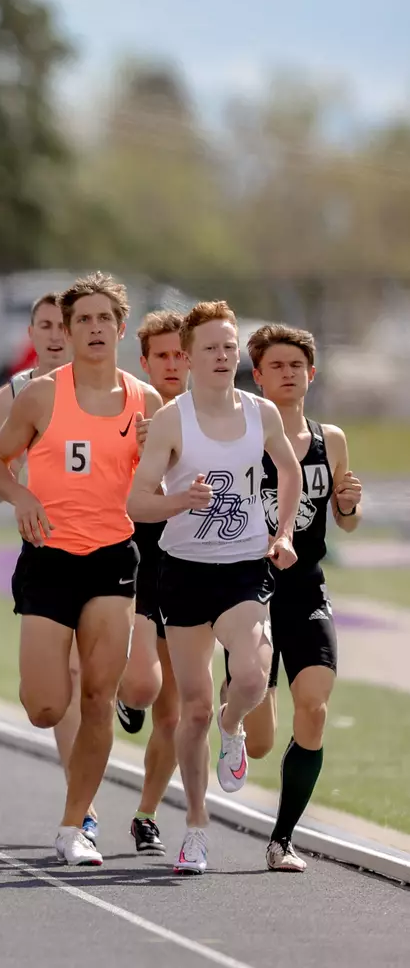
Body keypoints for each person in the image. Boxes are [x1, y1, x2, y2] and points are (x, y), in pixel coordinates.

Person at [0, 271, 162, 866]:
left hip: (113, 559)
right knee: (45, 708)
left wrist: (160, 458)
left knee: (99, 697)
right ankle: (50, 708)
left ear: (121, 328)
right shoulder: (40, 396)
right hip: (49, 559)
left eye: (104, 318)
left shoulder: (145, 401)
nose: (93, 328)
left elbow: (161, 482)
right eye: (82, 319)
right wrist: (22, 496)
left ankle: (74, 825)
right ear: (68, 329)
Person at [127, 300, 301, 876]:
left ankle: (234, 725)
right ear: (190, 357)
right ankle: (197, 827)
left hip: (244, 567)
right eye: (211, 348)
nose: (223, 356)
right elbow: (137, 501)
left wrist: (282, 531)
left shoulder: (261, 413)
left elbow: (289, 470)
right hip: (184, 572)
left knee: (250, 677)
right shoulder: (172, 420)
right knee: (193, 709)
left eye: (229, 346)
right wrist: (181, 500)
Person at [229, 323, 362, 872]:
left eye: (297, 366)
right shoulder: (240, 435)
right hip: (249, 591)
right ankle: (234, 713)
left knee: (314, 706)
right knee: (261, 742)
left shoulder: (332, 439)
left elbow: (346, 522)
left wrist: (348, 505)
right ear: (257, 377)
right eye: (276, 366)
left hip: (305, 588)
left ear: (312, 373)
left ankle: (281, 839)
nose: (288, 374)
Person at [0, 292, 105, 843]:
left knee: (105, 680)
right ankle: (82, 802)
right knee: (65, 685)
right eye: (46, 326)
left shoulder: (107, 390)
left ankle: (84, 798)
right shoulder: (12, 396)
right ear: (31, 333)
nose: (57, 335)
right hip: (47, 546)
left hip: (106, 545)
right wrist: (26, 495)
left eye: (65, 325)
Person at [122, 310, 190, 858]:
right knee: (141, 687)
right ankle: (126, 690)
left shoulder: (214, 418)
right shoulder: (128, 412)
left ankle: (146, 815)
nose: (172, 364)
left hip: (190, 570)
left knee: (174, 713)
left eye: (180, 354)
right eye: (162, 356)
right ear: (145, 363)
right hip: (133, 565)